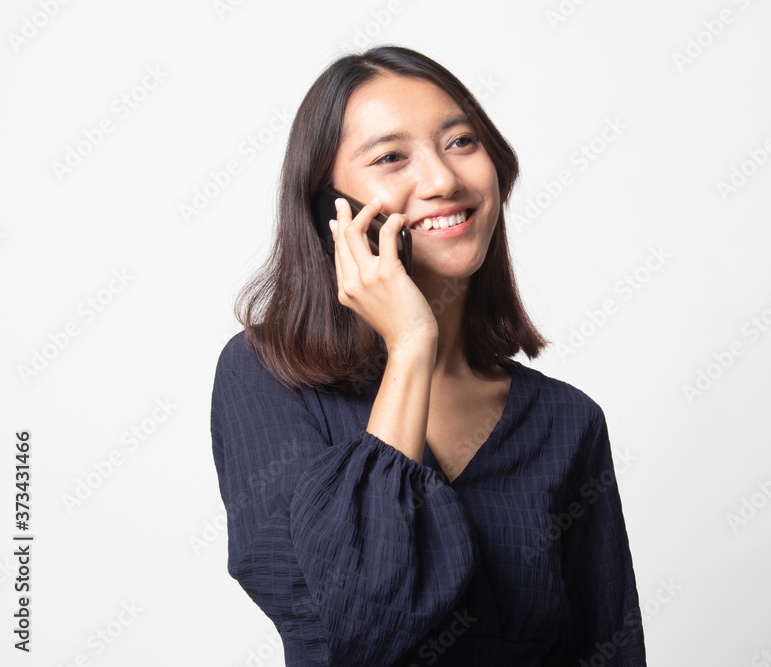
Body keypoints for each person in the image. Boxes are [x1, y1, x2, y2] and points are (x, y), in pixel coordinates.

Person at [210, 45, 646, 666]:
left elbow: (610, 651)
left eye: (461, 142)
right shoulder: (268, 378)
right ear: (328, 207)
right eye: (391, 157)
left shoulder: (568, 422)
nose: (443, 180)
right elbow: (357, 628)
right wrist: (411, 345)